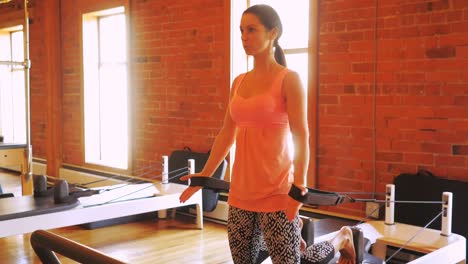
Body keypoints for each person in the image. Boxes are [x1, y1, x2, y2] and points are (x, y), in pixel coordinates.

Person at [179, 4, 356, 264]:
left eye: (252, 29)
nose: (244, 36)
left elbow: (301, 136)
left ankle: (342, 237)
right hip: (240, 194)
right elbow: (226, 134)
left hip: (278, 194)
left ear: (273, 33)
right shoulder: (238, 82)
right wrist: (205, 176)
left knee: (296, 262)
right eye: (241, 30)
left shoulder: (289, 79)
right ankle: (298, 239)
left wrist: (299, 189)